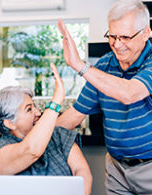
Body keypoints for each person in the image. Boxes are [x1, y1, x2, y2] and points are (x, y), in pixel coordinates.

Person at [56, 0, 152, 194]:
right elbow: (76, 113)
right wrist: (34, 137)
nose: (117, 45)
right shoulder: (103, 66)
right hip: (116, 168)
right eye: (112, 36)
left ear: (146, 33)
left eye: (125, 37)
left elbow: (130, 93)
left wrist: (79, 65)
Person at [0, 63, 92, 195]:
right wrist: (55, 102)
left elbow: (82, 171)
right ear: (10, 123)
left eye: (34, 106)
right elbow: (31, 151)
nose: (37, 112)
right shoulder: (0, 153)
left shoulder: (58, 135)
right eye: (29, 109)